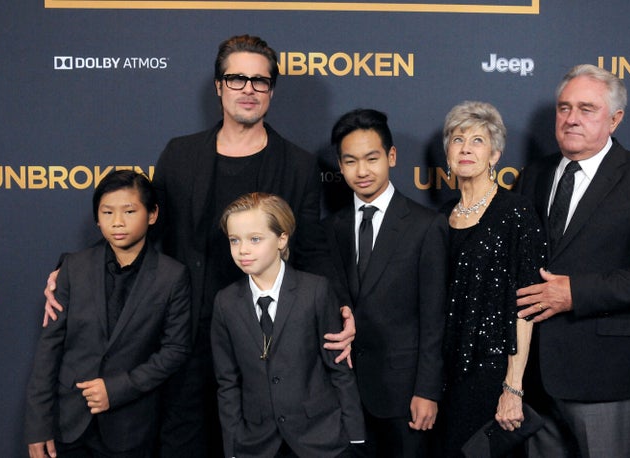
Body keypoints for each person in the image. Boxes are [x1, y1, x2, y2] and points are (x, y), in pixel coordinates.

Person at [42, 35, 355, 457]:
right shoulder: (180, 154)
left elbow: (313, 248)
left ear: (271, 91)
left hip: (267, 337)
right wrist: (69, 271)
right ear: (218, 86)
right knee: (183, 442)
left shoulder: (298, 164)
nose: (248, 89)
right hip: (183, 333)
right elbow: (142, 229)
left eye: (260, 81)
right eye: (237, 78)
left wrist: (341, 308)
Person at [514, 64, 630, 457]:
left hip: (603, 373)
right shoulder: (534, 175)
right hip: (534, 375)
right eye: (564, 108)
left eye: (586, 109)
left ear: (615, 119)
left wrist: (575, 292)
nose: (571, 119)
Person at [25, 170, 192, 458]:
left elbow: (175, 350)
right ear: (96, 218)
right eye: (107, 212)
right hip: (68, 424)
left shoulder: (172, 276)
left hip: (130, 427)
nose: (117, 222)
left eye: (129, 211)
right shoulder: (72, 269)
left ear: (152, 214)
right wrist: (38, 425)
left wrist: (117, 389)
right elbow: (48, 351)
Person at [322, 109, 447, 457]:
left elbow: (434, 318)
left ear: (391, 157)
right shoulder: (332, 227)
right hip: (345, 393)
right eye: (350, 161)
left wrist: (428, 391)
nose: (362, 171)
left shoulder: (425, 226)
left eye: (371, 158)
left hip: (405, 394)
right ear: (340, 165)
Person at [211, 193, 365, 457]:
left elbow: (338, 369)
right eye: (234, 240)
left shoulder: (315, 291)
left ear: (282, 239)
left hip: (320, 437)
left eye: (255, 239)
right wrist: (233, 445)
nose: (243, 250)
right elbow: (227, 382)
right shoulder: (225, 302)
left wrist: (355, 437)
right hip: (256, 443)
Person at [433, 101, 546, 457]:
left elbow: (525, 304)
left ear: (495, 154)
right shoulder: (439, 217)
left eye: (478, 140)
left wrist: (513, 387)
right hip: (442, 375)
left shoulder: (515, 211)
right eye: (457, 139)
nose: (466, 148)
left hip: (491, 373)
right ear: (447, 152)